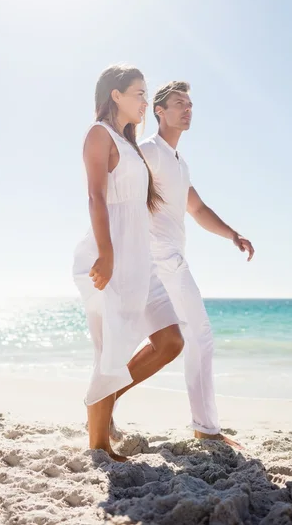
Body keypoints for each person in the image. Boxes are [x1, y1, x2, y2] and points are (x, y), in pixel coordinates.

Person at [73, 66, 184, 462]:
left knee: (170, 340)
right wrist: (106, 253)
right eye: (138, 94)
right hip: (113, 253)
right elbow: (96, 198)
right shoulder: (98, 134)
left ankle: (100, 402)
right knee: (112, 348)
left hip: (142, 258)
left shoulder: (128, 142)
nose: (143, 102)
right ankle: (98, 444)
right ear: (115, 95)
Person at [139, 81, 255, 449]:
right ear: (160, 110)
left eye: (190, 104)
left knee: (169, 338)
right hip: (159, 257)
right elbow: (119, 191)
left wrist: (232, 234)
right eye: (179, 103)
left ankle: (107, 399)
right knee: (199, 334)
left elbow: (198, 209)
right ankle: (205, 427)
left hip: (171, 257)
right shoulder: (148, 151)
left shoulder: (178, 163)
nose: (188, 109)